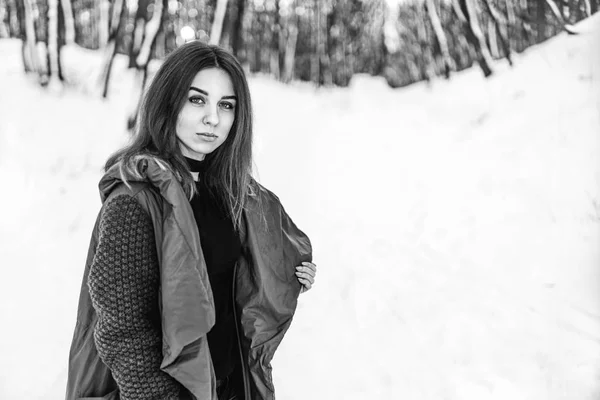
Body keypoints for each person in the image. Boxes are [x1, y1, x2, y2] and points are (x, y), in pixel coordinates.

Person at [65, 41, 317, 400]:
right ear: (168, 101)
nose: (212, 118)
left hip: (228, 387)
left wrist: (289, 274)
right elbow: (122, 330)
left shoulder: (229, 191)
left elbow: (242, 272)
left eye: (226, 105)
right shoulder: (134, 202)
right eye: (196, 99)